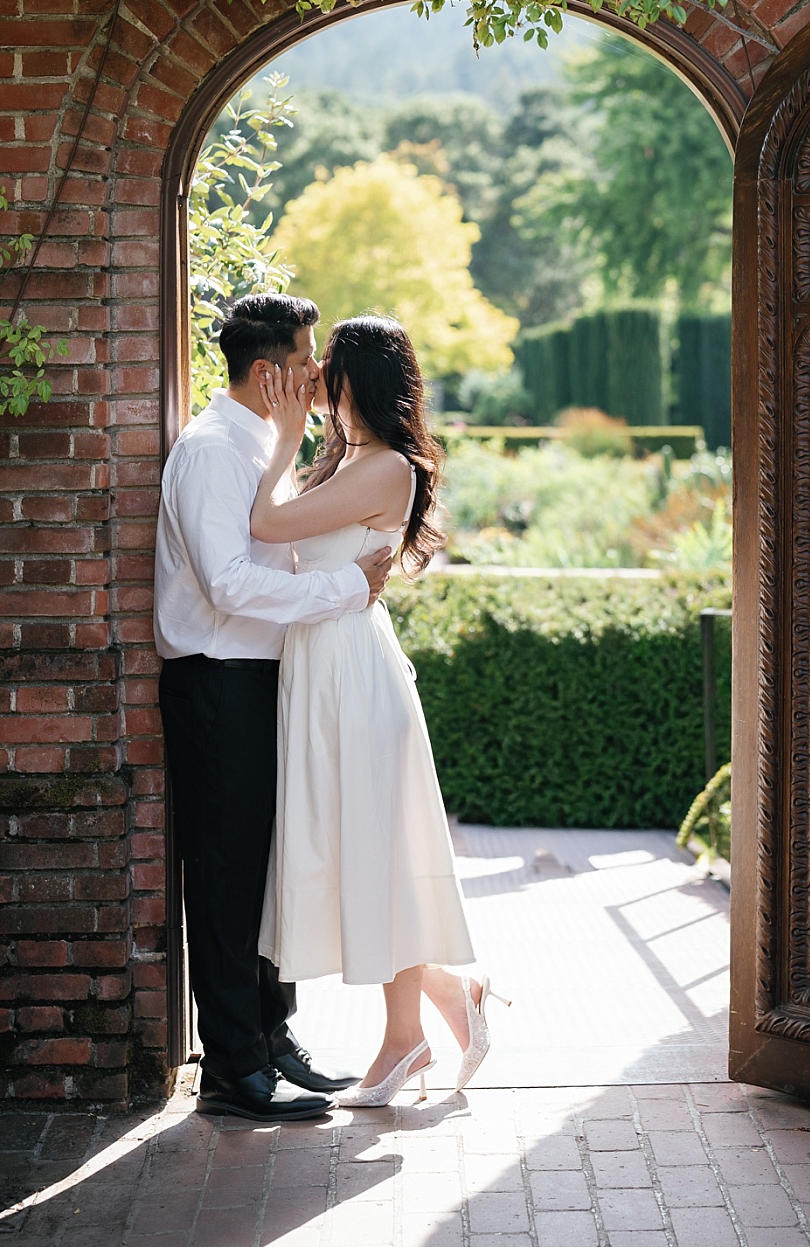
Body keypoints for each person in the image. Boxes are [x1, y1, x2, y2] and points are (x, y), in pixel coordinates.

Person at [250, 314, 509, 1107]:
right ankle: (448, 1001)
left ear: (357, 376)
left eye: (327, 363)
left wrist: (284, 438)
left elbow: (266, 523)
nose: (315, 375)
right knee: (357, 858)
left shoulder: (387, 466)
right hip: (324, 666)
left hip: (353, 676)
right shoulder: (348, 457)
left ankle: (405, 1039)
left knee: (376, 857)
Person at [153, 294, 394, 1124]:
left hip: (266, 678)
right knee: (226, 873)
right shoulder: (213, 451)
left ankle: (272, 1039)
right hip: (219, 682)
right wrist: (346, 589)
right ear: (268, 372)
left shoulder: (267, 441)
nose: (318, 372)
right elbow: (228, 583)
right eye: (305, 359)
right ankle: (233, 1070)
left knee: (266, 869)